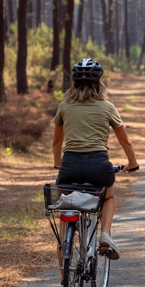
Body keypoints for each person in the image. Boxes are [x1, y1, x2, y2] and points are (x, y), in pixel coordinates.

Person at [52, 59, 139, 266]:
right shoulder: (107, 107)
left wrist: (58, 164)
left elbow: (56, 141)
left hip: (70, 166)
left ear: (73, 84)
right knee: (108, 197)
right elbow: (125, 140)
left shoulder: (65, 106)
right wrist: (132, 163)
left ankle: (65, 284)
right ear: (99, 84)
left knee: (66, 212)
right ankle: (105, 234)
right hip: (98, 166)